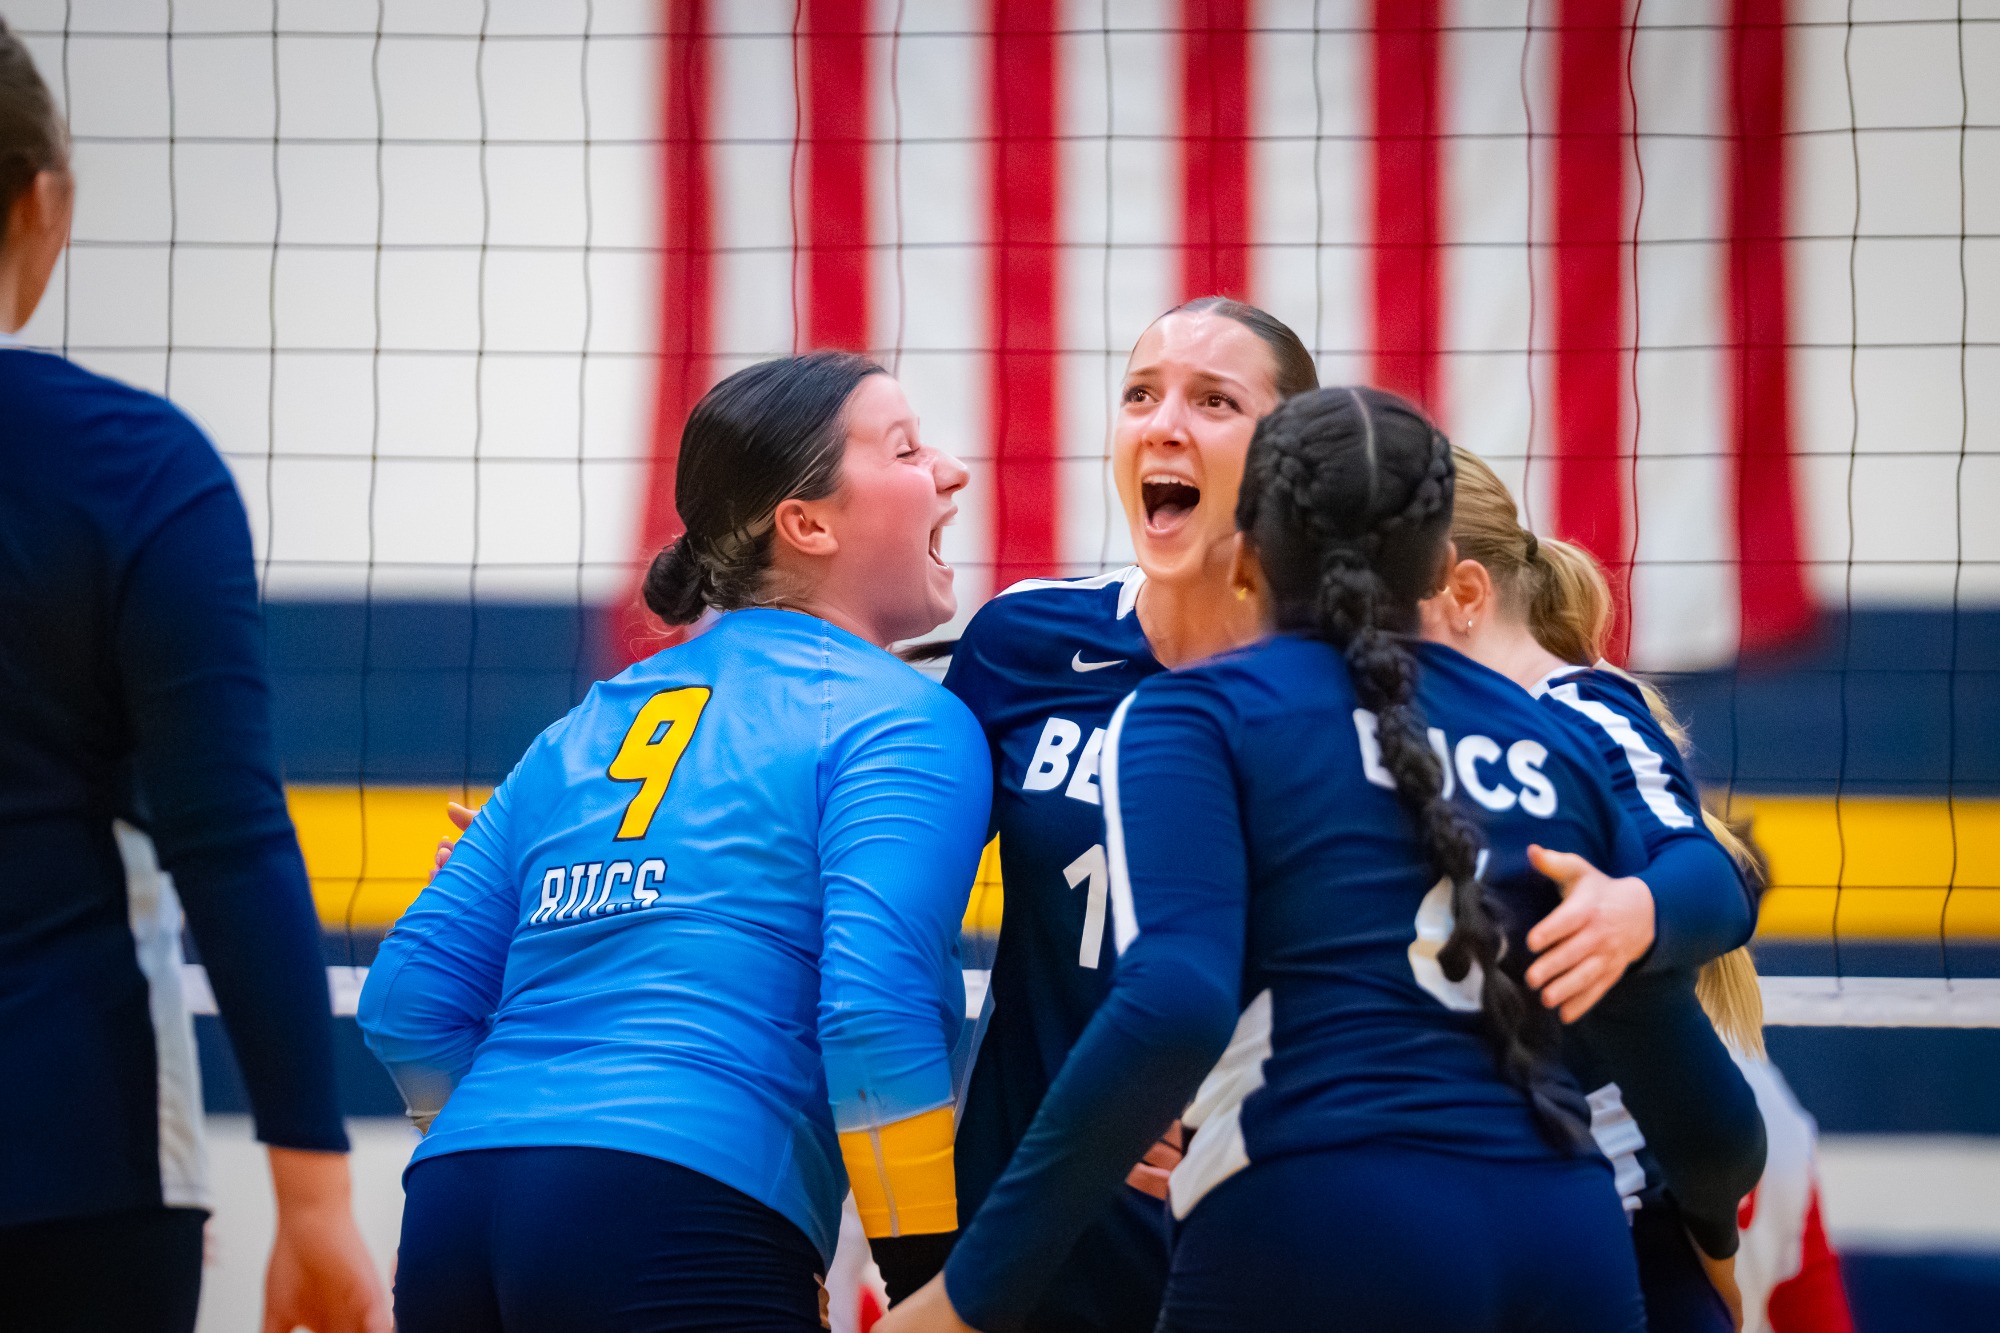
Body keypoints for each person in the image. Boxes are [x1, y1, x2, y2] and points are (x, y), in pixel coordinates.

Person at [886, 388, 1698, 1333]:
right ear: (1439, 567)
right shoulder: (1549, 739)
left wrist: (966, 1291)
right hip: (1560, 1231)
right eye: (1141, 391)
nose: (1166, 421)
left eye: (1217, 400)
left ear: (1248, 548)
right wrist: (1713, 1239)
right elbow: (1699, 1089)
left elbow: (1173, 1004)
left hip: (1303, 1208)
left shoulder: (1198, 717)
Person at [359, 352, 991, 1332]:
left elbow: (406, 999)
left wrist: (512, 1146)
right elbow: (871, 1013)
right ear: (807, 523)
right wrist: (930, 1291)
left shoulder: (586, 726)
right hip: (682, 1207)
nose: (950, 470)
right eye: (906, 448)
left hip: (457, 1208)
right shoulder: (898, 718)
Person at [0, 22, 389, 1333]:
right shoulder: (133, 468)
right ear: (41, 203)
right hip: (64, 1158)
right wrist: (317, 1193)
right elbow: (229, 840)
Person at [1422, 447, 1772, 1329]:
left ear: (1463, 594)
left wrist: (1631, 912)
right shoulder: (1383, 732)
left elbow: (1715, 880)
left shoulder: (1578, 709)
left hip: (1614, 1227)